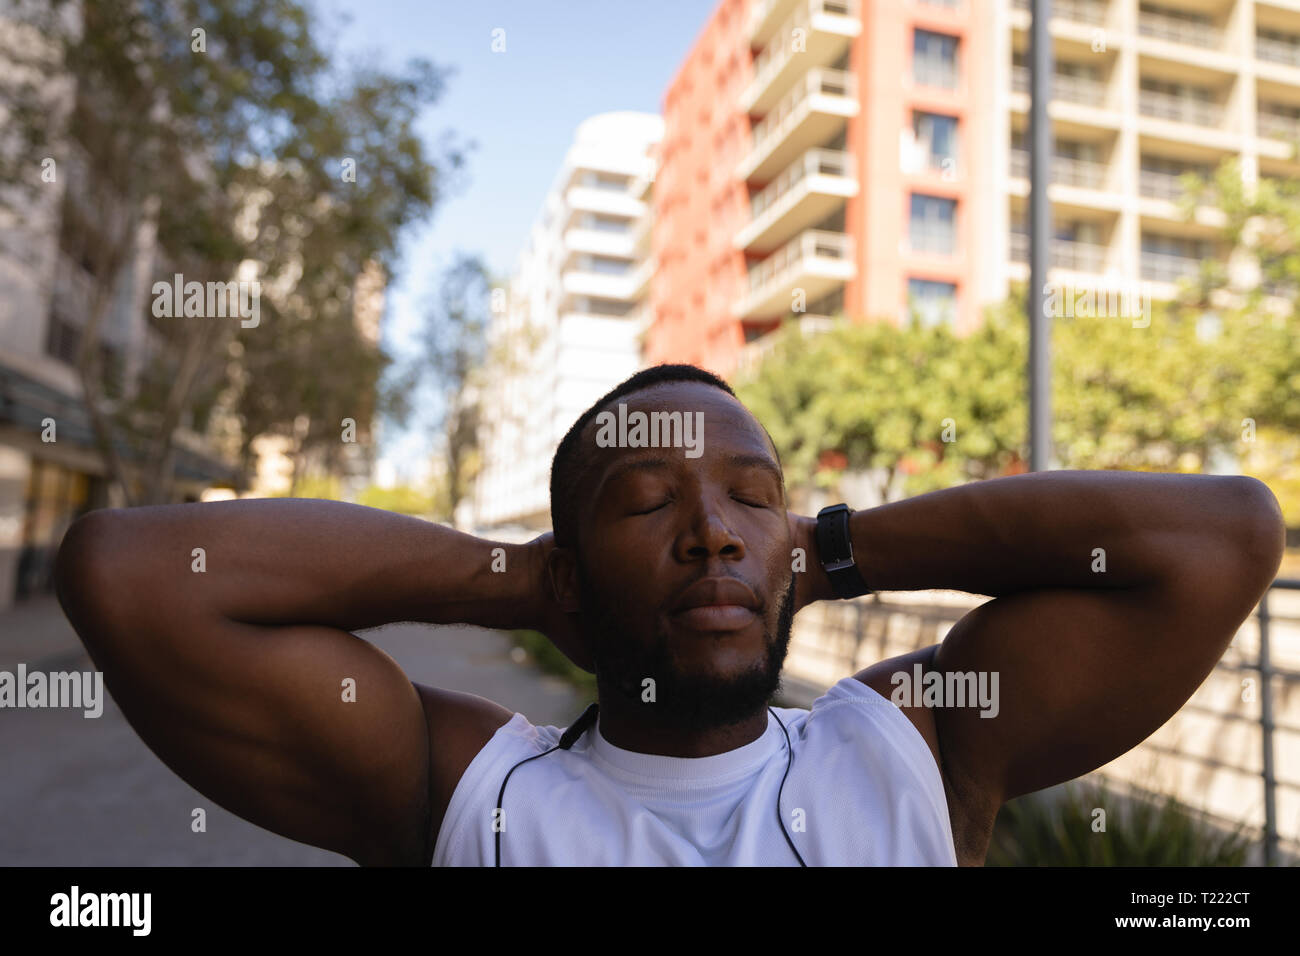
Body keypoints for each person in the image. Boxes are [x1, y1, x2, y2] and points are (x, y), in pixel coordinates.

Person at [53, 363, 1285, 866]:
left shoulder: (909, 750)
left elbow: (1221, 535)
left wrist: (833, 548)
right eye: (649, 501)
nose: (714, 530)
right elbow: (132, 570)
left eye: (752, 498)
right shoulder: (473, 795)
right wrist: (522, 581)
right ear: (574, 572)